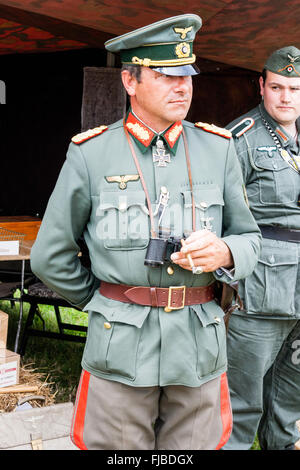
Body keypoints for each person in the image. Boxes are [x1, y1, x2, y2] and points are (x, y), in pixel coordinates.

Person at [30, 14, 261, 450]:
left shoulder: (218, 148)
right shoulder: (91, 154)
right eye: (165, 75)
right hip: (119, 346)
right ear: (130, 81)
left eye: (187, 75)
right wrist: (106, 304)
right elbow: (50, 255)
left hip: (198, 345)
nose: (182, 87)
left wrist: (225, 252)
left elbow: (250, 238)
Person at [223, 46, 300, 450]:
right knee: (241, 403)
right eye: (277, 87)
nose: (286, 97)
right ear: (262, 87)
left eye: (294, 88)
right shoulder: (239, 139)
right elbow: (217, 216)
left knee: (290, 403)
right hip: (260, 291)